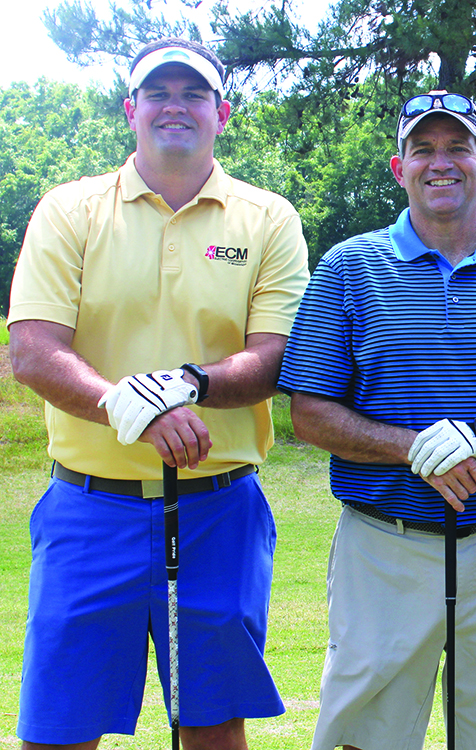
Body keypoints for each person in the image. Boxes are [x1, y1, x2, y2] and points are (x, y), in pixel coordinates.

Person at [277, 89, 476, 750]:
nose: (441, 162)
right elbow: (308, 413)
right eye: (422, 149)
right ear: (399, 169)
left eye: (458, 147)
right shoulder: (347, 269)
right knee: (366, 740)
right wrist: (415, 449)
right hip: (383, 544)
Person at [7, 37, 310, 750]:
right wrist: (130, 407)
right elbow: (34, 350)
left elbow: (275, 357)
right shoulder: (70, 210)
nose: (176, 106)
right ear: (131, 110)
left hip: (218, 510)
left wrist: (186, 386)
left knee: (213, 728)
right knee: (58, 730)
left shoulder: (268, 218)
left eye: (194, 94)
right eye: (159, 94)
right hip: (89, 508)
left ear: (221, 113)